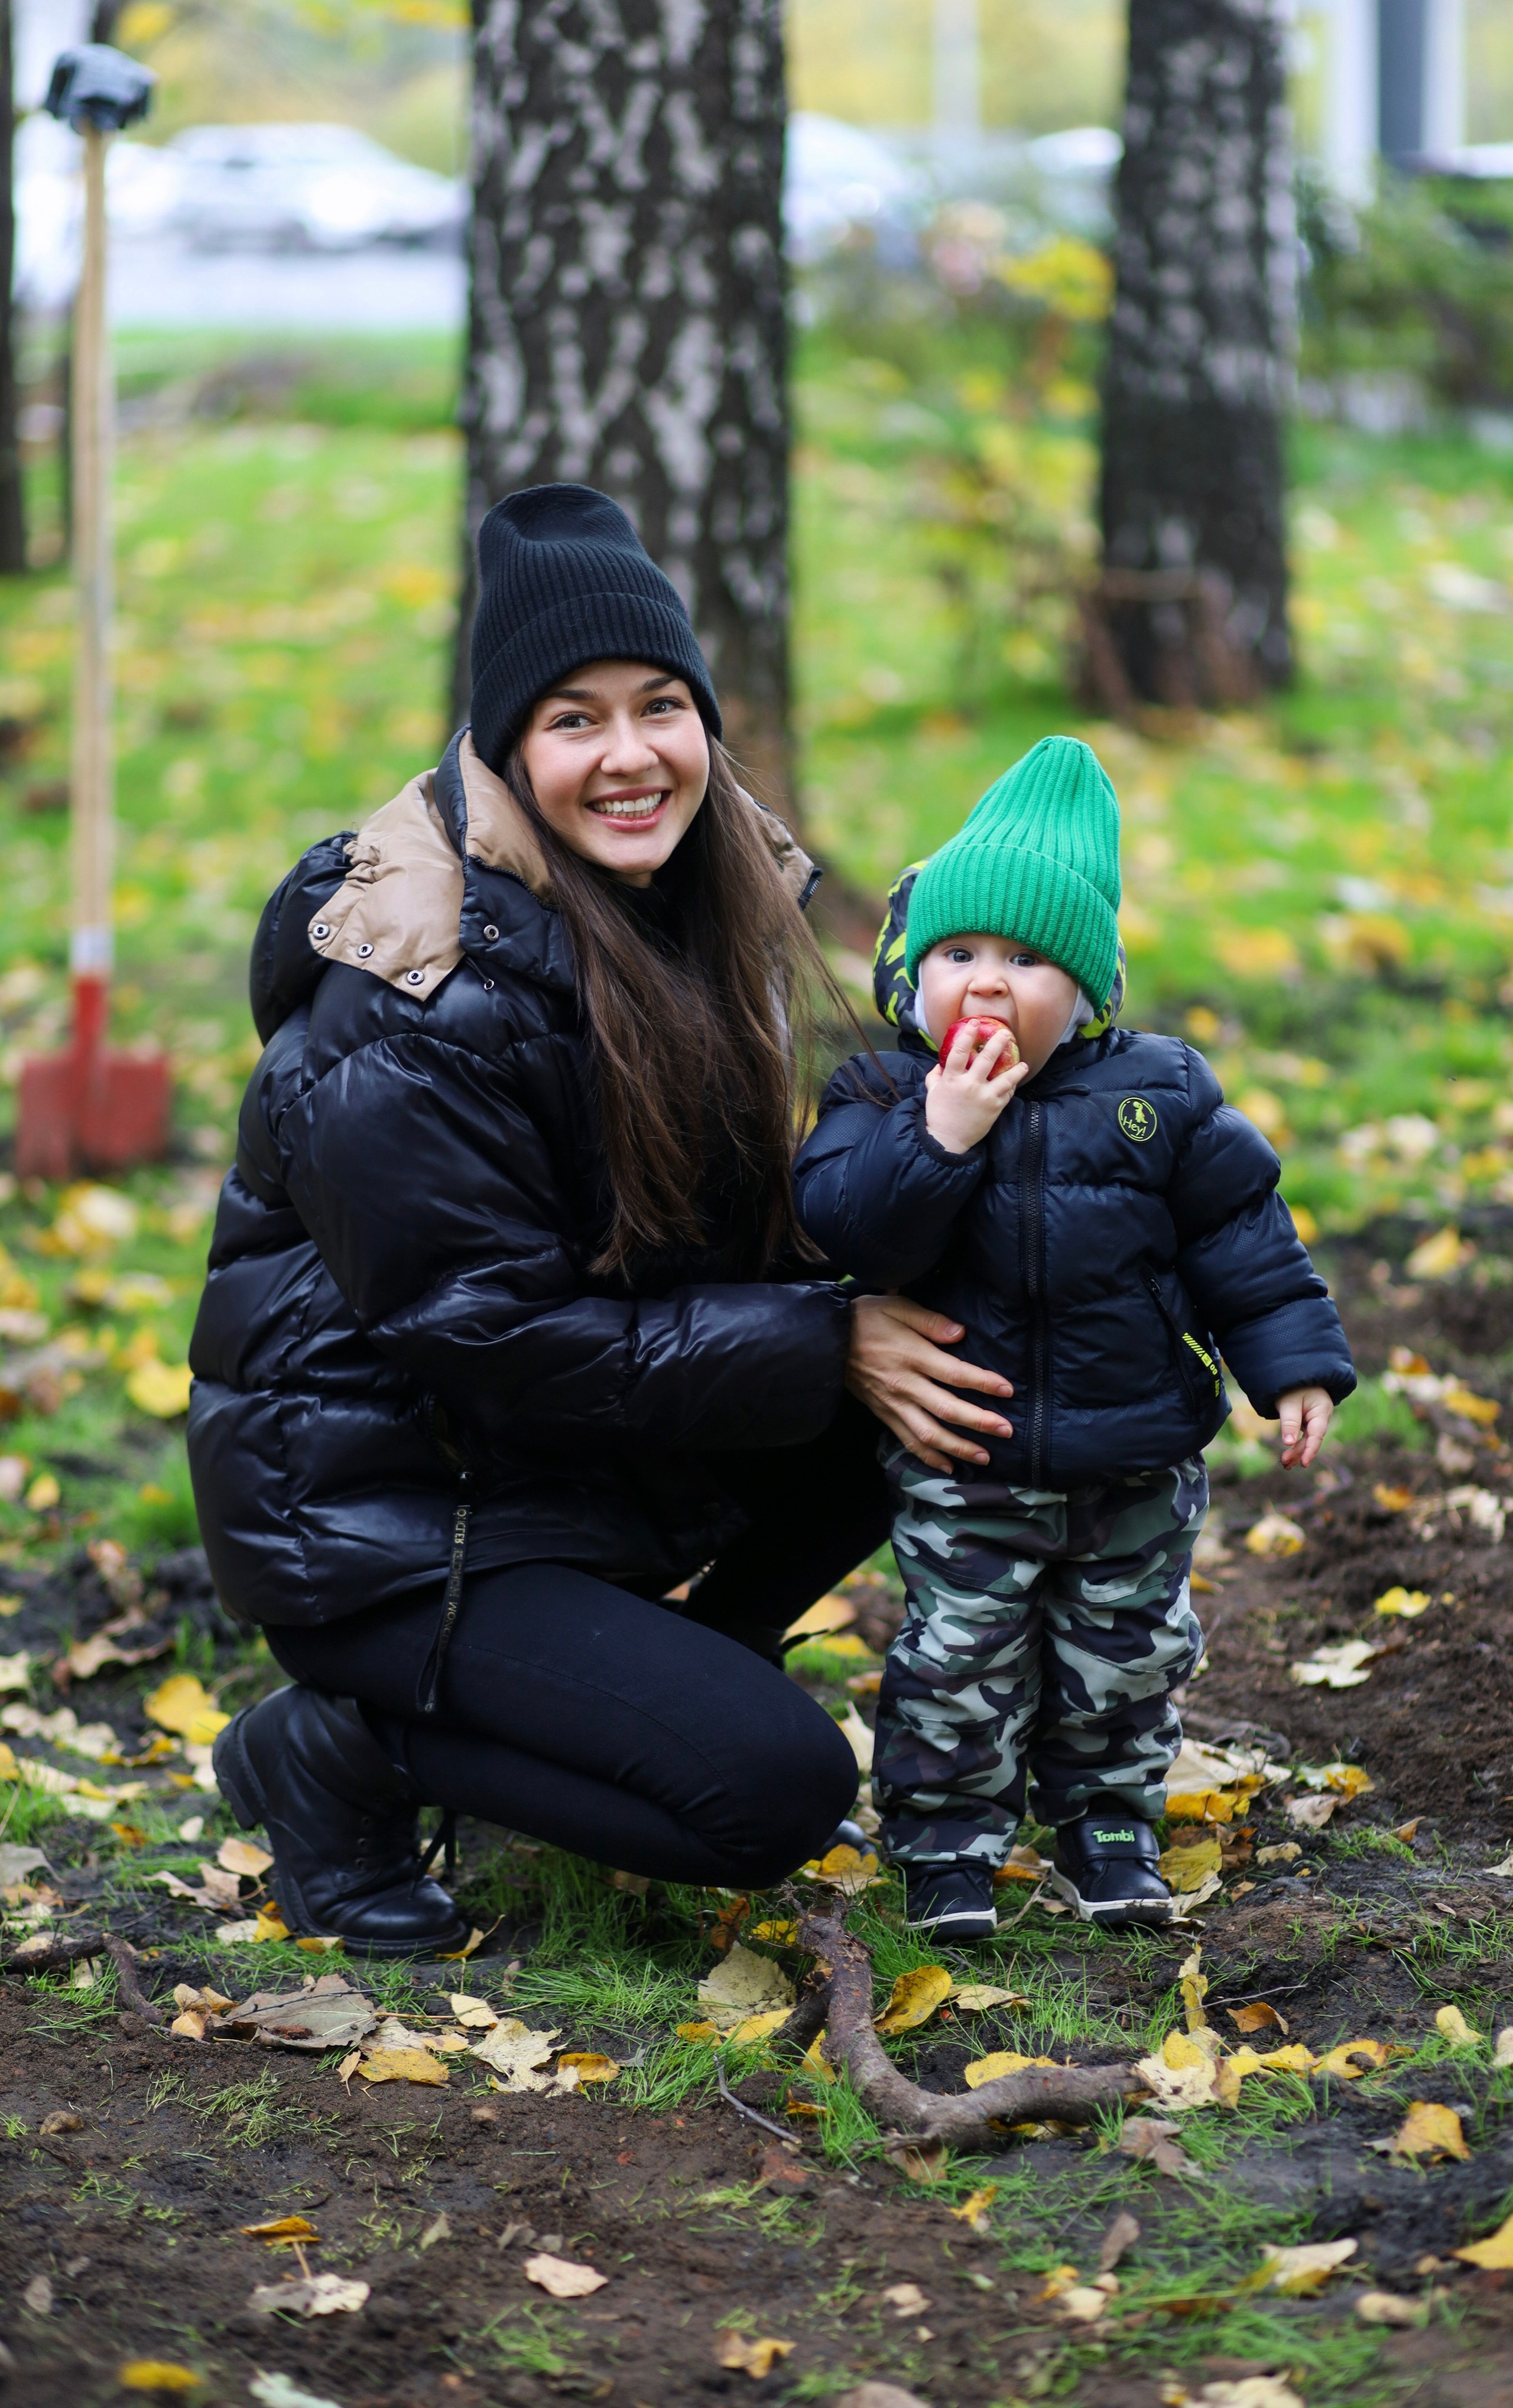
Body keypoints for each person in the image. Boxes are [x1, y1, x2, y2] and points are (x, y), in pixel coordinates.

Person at [189, 483, 1018, 1954]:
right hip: (389, 1518)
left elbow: (731, 1238)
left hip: (556, 1461)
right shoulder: (409, 995)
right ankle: (336, 1748)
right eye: (574, 719)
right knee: (771, 1795)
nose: (630, 756)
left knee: (955, 1377)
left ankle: (620, 1709)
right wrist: (821, 1342)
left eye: (660, 706)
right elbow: (490, 1332)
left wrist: (947, 1170)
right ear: (509, 745)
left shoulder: (693, 897)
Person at [793, 734, 1356, 1940]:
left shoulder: (1159, 1096)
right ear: (910, 976)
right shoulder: (880, 1099)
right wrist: (939, 1138)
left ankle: (1109, 1823)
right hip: (967, 1458)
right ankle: (945, 1844)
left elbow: (1239, 1237)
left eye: (1026, 958)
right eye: (956, 954)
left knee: (1128, 1656)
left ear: (1089, 988)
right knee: (957, 1660)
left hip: (1137, 1456)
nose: (985, 983)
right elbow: (851, 1236)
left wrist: (1293, 1361)